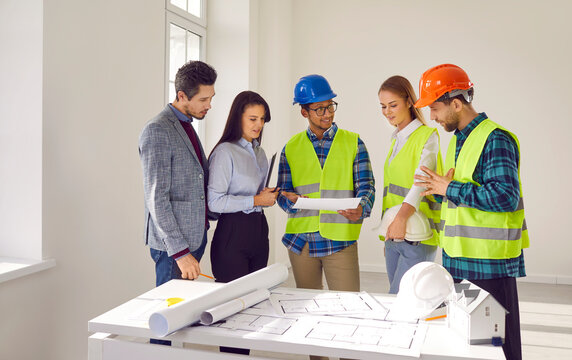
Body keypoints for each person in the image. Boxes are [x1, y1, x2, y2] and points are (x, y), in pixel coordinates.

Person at [413, 64, 529, 360]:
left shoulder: (495, 139)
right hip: (460, 259)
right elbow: (462, 198)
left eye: (436, 109)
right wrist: (439, 193)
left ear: (456, 102)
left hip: (489, 263)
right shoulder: (457, 141)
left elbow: (505, 196)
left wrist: (449, 188)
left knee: (498, 346)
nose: (433, 118)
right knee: (471, 344)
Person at [277, 74, 375, 301]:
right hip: (301, 242)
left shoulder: (353, 142)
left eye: (330, 106)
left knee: (348, 306)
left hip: (339, 240)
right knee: (305, 307)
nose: (328, 113)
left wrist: (362, 207)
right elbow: (283, 191)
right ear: (304, 112)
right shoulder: (290, 147)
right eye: (319, 109)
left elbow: (367, 185)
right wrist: (287, 200)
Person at [207, 90, 278, 355]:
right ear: (238, 117)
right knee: (233, 316)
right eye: (252, 118)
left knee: (253, 308)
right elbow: (214, 202)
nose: (258, 125)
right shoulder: (225, 152)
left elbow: (258, 196)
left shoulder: (260, 154)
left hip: (259, 233)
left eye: (262, 119)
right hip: (232, 236)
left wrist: (271, 196)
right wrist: (256, 201)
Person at [139, 60, 217, 287]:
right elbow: (156, 198)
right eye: (203, 99)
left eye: (211, 98)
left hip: (195, 236)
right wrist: (180, 253)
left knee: (185, 312)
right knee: (170, 313)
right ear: (182, 96)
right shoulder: (157, 130)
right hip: (174, 248)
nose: (209, 105)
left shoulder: (186, 125)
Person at [377, 75, 443, 294]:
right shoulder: (396, 139)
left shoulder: (427, 136)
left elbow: (420, 183)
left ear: (409, 102)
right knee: (395, 298)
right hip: (394, 233)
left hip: (417, 234)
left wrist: (400, 219)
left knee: (402, 299)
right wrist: (390, 227)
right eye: (383, 106)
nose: (387, 111)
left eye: (393, 105)